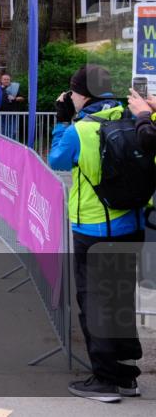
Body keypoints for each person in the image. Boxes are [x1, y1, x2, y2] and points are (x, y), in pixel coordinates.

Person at [48, 65, 147, 402]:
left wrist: (62, 121)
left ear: (82, 94)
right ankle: (126, 377)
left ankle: (105, 380)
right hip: (132, 224)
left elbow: (57, 160)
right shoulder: (134, 118)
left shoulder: (81, 129)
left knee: (94, 304)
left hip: (93, 227)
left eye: (72, 93)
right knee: (119, 301)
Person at [0, 72, 24, 141]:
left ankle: (11, 147)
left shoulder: (15, 88)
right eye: (4, 79)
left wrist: (15, 98)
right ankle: (2, 147)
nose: (6, 81)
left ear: (10, 80)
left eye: (8, 79)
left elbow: (22, 98)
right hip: (1, 114)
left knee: (13, 132)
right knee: (1, 132)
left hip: (13, 114)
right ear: (1, 80)